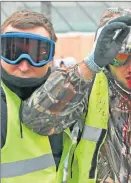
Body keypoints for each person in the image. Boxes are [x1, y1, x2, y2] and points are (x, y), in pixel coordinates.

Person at [21, 7, 131, 183]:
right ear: (105, 59)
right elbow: (36, 121)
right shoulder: (86, 83)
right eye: (119, 58)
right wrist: (89, 66)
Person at [1, 10, 72, 182]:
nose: (24, 66)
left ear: (50, 58)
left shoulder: (66, 95)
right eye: (13, 52)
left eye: (36, 54)